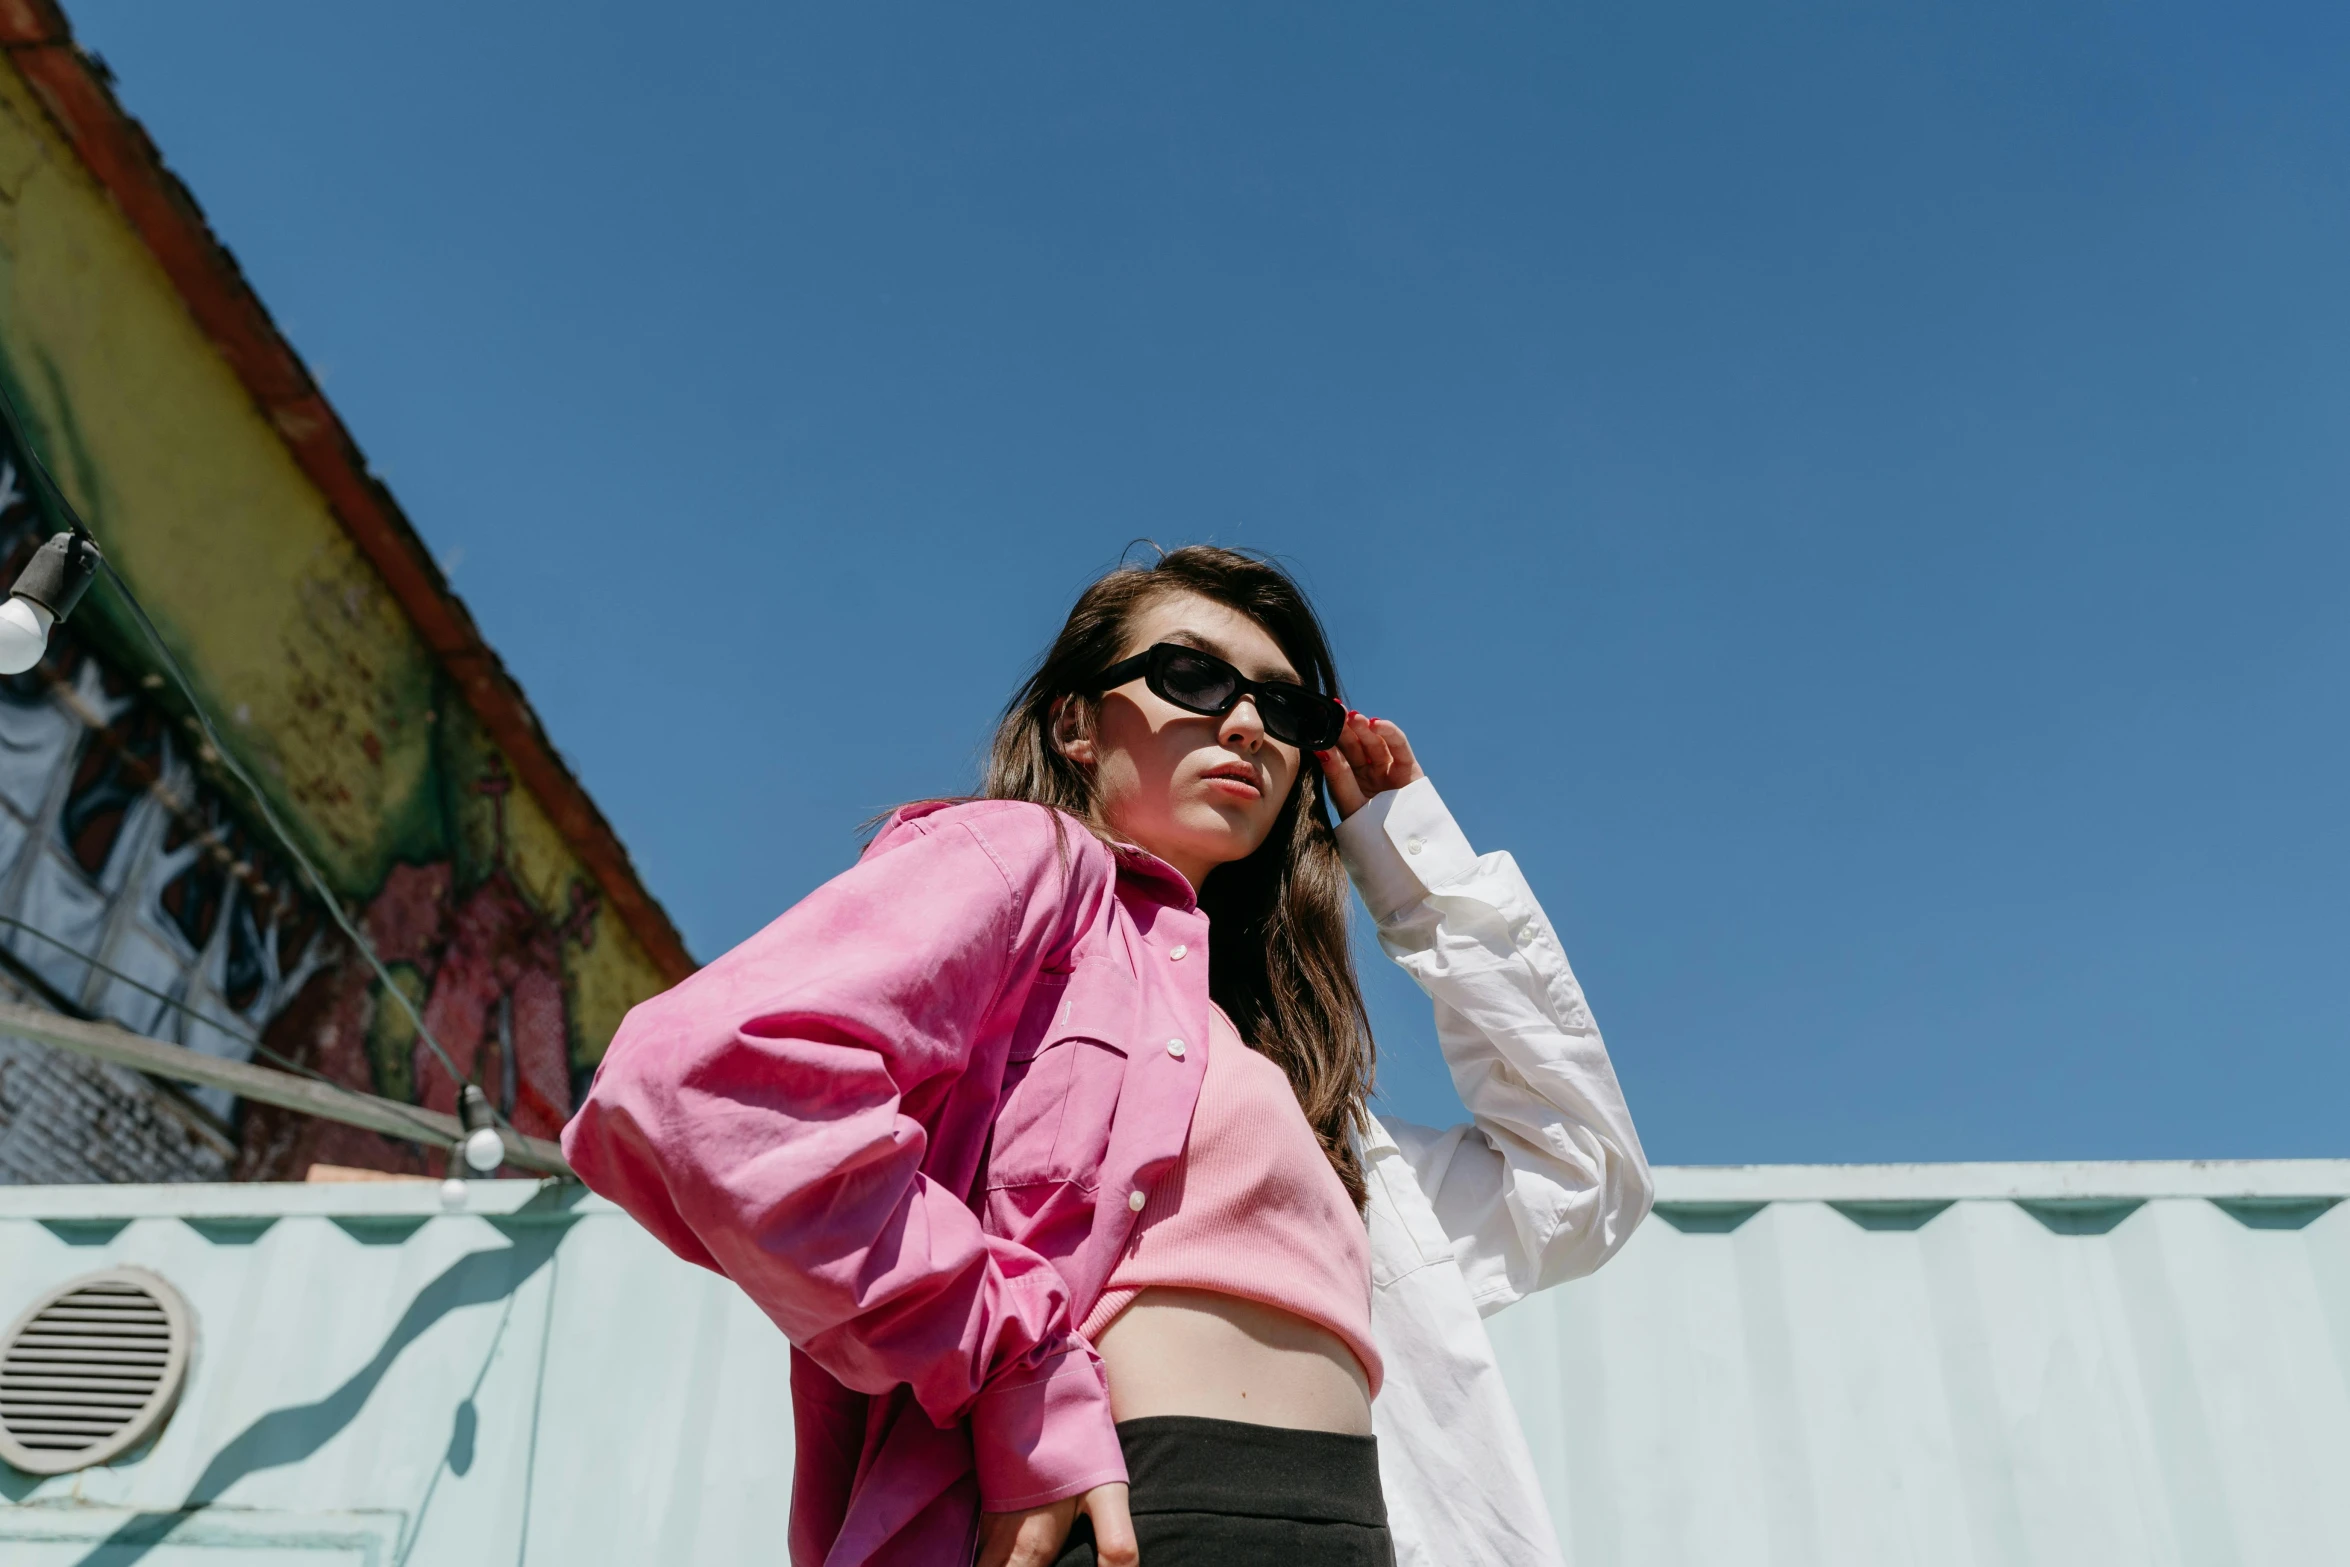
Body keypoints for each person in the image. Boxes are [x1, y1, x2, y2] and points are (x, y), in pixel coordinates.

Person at [563, 546, 1650, 1567]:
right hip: (1124, 1517)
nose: (1246, 725)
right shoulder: (1029, 865)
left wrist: (1409, 860)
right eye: (1191, 677)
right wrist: (1019, 1364)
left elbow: (1581, 1176)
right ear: (1077, 725)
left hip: (1354, 1528)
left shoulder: (1301, 1096)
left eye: (1286, 707)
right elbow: (705, 1078)